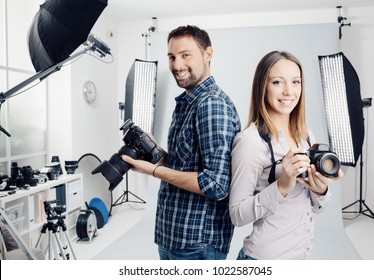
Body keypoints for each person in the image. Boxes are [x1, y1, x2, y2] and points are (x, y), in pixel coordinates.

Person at [122, 25, 241, 260]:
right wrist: (157, 154)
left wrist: (155, 171)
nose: (177, 65)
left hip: (197, 243)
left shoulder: (211, 104)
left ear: (208, 54)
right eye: (171, 57)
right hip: (174, 236)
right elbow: (184, 166)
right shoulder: (188, 102)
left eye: (186, 55)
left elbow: (216, 184)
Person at [229, 50, 343, 260]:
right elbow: (237, 215)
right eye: (278, 82)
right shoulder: (250, 141)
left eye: (296, 82)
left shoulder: (306, 136)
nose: (289, 91)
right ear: (262, 87)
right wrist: (281, 186)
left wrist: (321, 189)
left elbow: (317, 207)